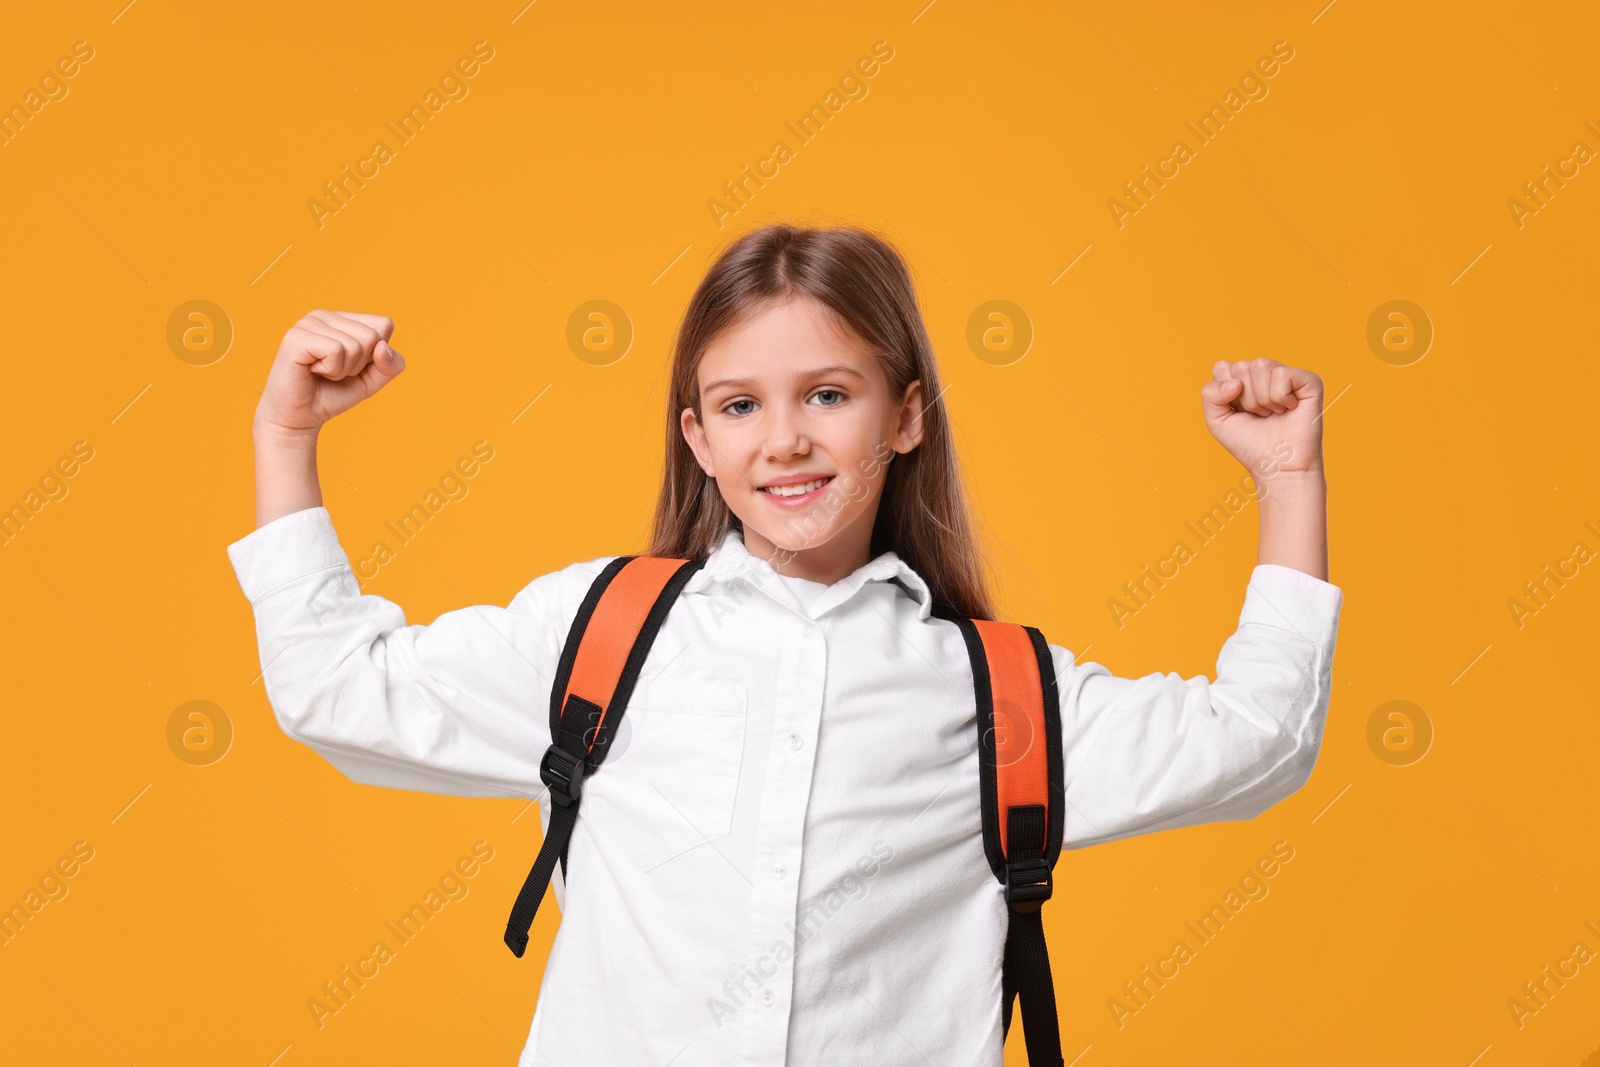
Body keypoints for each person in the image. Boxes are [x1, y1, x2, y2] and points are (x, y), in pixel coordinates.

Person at [227, 223, 1343, 1066]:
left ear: (905, 416)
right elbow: (337, 686)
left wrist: (1286, 481)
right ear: (697, 437)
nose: (787, 439)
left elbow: (1255, 740)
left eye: (827, 393)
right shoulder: (597, 634)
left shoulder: (994, 691)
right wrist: (287, 437)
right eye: (741, 405)